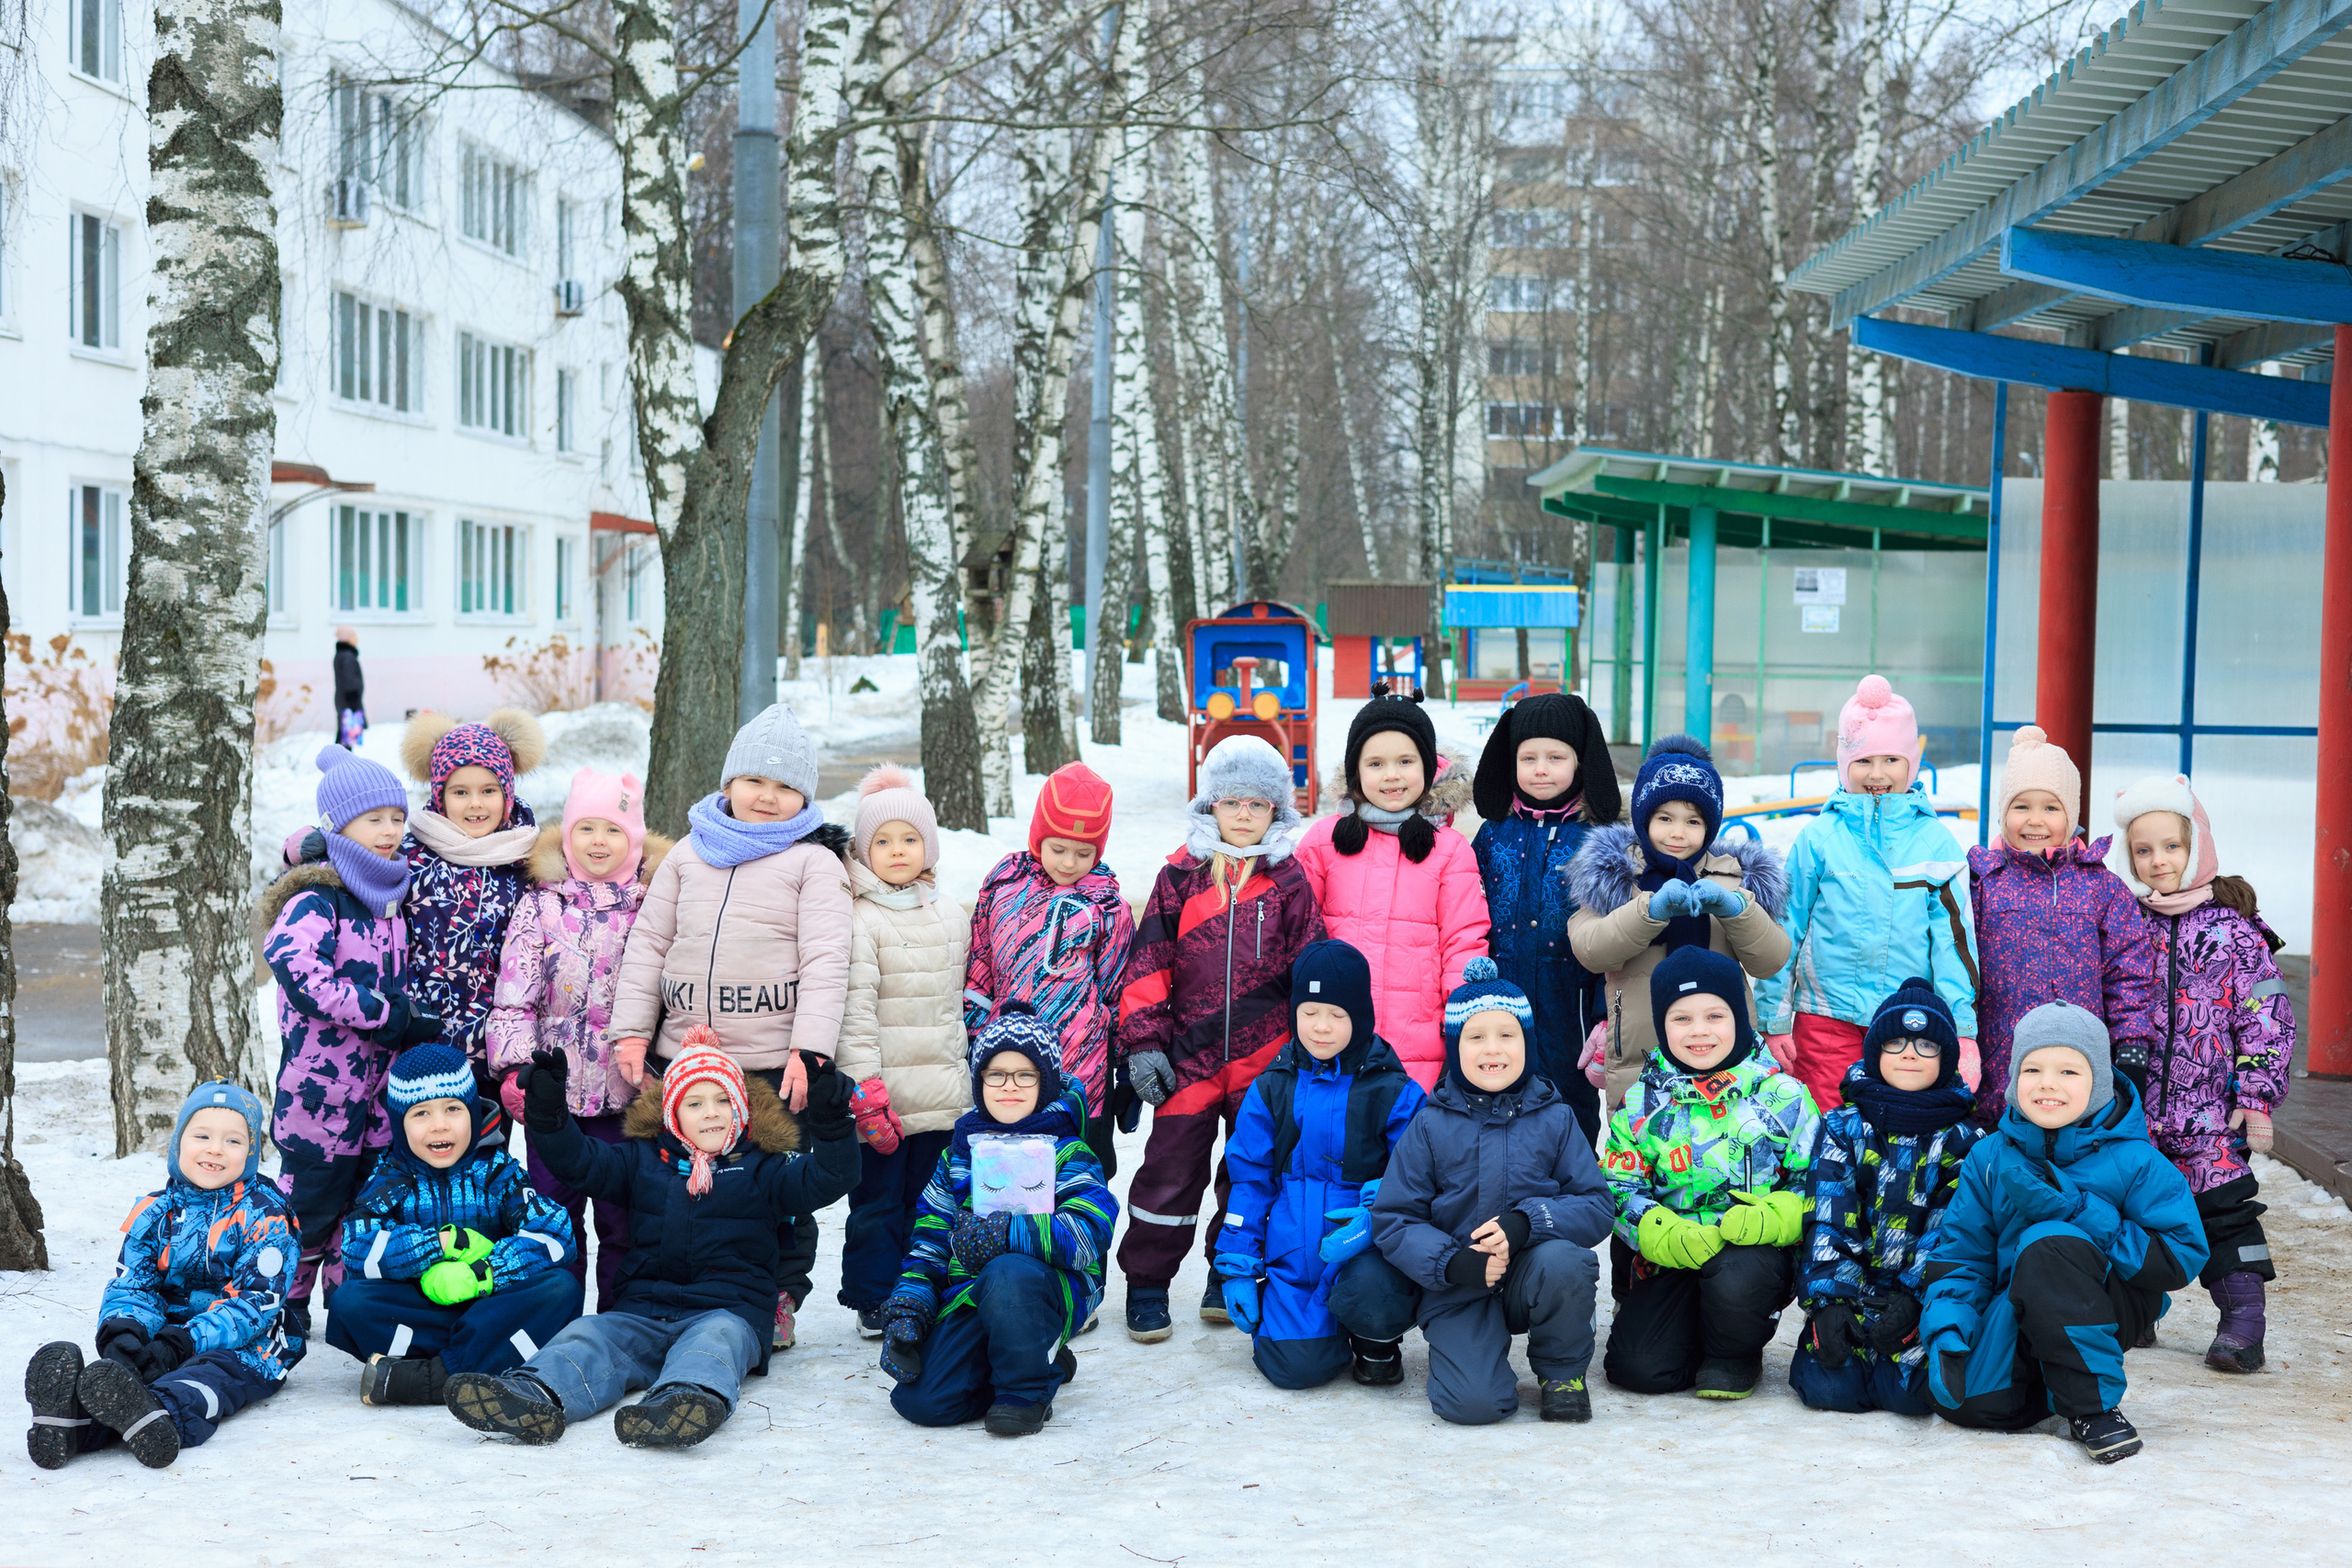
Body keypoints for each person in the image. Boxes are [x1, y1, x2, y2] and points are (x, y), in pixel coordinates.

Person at [446, 1031, 859, 1448]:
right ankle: (532, 1394)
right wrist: (550, 1117)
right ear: (672, 1115)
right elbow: (581, 1163)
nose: (711, 1113)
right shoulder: (639, 1159)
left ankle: (683, 1402)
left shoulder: (765, 1169)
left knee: (715, 1343)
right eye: (695, 1104)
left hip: (728, 1310)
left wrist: (831, 1124)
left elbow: (830, 1177)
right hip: (642, 1311)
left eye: (723, 1101)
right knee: (591, 1335)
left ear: (742, 1109)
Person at [606, 700, 854, 1349]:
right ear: (728, 782)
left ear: (804, 796)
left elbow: (827, 960)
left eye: (784, 786)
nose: (767, 798)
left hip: (768, 1064)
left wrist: (810, 1049)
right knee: (675, 1182)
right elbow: (648, 945)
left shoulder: (813, 864)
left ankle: (776, 1294)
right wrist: (632, 1029)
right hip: (681, 1061)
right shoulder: (688, 855)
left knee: (772, 1192)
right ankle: (674, 1289)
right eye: (755, 781)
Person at [1922, 1001, 2206, 1463]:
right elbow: (1963, 1253)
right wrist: (1949, 1328)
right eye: (2032, 1068)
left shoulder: (2136, 1160)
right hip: (2017, 1306)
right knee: (1973, 1406)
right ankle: (2050, 1384)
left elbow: (2178, 1258)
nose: (2048, 1083)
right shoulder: (1989, 1156)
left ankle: (2093, 1407)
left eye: (2069, 1071)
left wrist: (2079, 1210)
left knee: (2047, 1244)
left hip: (2112, 1303)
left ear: (2099, 1081)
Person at [1114, 737, 1326, 1341]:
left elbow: (1311, 969)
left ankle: (1224, 1267)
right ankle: (1147, 1280)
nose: (1242, 814)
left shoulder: (1289, 882)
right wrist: (1144, 1043)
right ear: (1210, 806)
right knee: (1169, 1170)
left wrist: (1306, 1046)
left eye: (1256, 804)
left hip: (1265, 1059)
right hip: (1189, 1059)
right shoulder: (1180, 875)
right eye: (1230, 801)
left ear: (1275, 812)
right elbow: (1149, 964)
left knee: (1250, 1170)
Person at [1372, 957, 1611, 1426]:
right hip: (1459, 1283)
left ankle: (1562, 1373)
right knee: (1476, 1406)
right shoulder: (1430, 1123)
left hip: (1531, 1272)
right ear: (1454, 1047)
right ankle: (1467, 1361)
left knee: (1566, 1262)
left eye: (1507, 1035)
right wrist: (1450, 1262)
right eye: (1475, 1037)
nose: (1492, 1049)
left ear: (1528, 1041)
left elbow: (1597, 1204)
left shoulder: (1556, 1117)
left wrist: (1527, 1223)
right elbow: (1394, 1218)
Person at [2110, 773, 2296, 1373]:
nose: (2158, 860)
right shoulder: (2126, 924)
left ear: (2198, 847)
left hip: (2209, 1113)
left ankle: (2243, 1320)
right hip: (2136, 1116)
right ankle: (2134, 1312)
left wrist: (2257, 1092)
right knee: (2132, 1215)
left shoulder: (2234, 933)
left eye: (2171, 845)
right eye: (2144, 849)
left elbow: (2266, 1014)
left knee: (2223, 1211)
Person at [260, 745, 442, 1351]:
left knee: (364, 1208)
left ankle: (348, 1305)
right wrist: (385, 1014)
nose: (390, 830)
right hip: (320, 1095)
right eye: (374, 819)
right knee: (308, 1208)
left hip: (379, 1097)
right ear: (338, 827)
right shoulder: (319, 896)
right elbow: (294, 966)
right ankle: (281, 1304)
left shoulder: (391, 893)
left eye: (397, 816)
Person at [25, 1081, 296, 1470]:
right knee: (126, 1372)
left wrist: (184, 1341)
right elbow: (134, 1283)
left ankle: (159, 1415)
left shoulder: (266, 1217)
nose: (215, 1149)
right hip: (162, 1336)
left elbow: (253, 1304)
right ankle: (73, 1422)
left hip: (246, 1344)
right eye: (202, 1135)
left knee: (208, 1376)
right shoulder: (156, 1211)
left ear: (252, 1153)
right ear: (179, 1142)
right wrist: (126, 1334)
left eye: (233, 1141)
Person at [878, 1007, 1118, 1436]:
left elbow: (1089, 1234)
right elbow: (929, 1243)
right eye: (996, 1074)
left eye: (1025, 1074)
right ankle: (1040, 1358)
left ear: (1044, 1081)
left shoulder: (1068, 1152)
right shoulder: (957, 1157)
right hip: (970, 1293)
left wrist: (1009, 1233)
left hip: (1045, 1288)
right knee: (921, 1402)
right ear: (979, 1080)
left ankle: (1025, 1392)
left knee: (1008, 1270)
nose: (1010, 1086)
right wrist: (910, 1307)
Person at [1600, 945, 1820, 1400]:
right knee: (1639, 1370)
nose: (1699, 1032)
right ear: (1663, 1025)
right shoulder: (1642, 1104)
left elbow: (1817, 1180)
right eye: (1681, 1019)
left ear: (1738, 1018)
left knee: (1738, 1281)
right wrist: (1652, 1227)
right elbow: (1618, 1184)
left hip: (1751, 1253)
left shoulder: (1785, 1095)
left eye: (1714, 1016)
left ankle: (1734, 1353)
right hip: (1678, 1252)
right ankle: (1689, 1330)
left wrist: (1781, 1214)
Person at [1757, 674, 1982, 1110]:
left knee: (1897, 1127)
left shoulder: (1935, 842)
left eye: (1891, 759)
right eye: (1863, 761)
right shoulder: (1819, 839)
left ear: (1911, 763)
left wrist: (1963, 1029)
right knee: (1825, 1124)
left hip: (1907, 1023)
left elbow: (1955, 947)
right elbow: (1782, 931)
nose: (1877, 774)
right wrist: (1774, 1018)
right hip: (1825, 1019)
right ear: (1844, 764)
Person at [486, 768, 668, 1306]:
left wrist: (659, 1075)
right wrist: (519, 1069)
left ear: (632, 839)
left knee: (623, 1221)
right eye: (586, 828)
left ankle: (618, 1319)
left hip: (627, 1098)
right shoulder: (540, 907)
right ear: (568, 836)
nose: (598, 842)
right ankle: (556, 1319)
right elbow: (513, 997)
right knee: (553, 1219)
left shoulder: (652, 909)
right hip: (554, 1101)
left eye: (612, 830)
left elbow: (668, 996)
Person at [1216, 940, 1424, 1390]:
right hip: (1294, 1258)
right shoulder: (1272, 1088)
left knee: (1375, 1293)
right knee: (1296, 1368)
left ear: (1361, 1016)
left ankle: (1376, 1339)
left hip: (1367, 1255)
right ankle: (1314, 1327)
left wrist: (1375, 1219)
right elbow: (1250, 1181)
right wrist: (1236, 1267)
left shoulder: (1393, 1091)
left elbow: (1420, 1178)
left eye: (1337, 1015)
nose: (1322, 1028)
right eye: (1310, 1013)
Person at [325, 1044, 583, 1405]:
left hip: (491, 1305)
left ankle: (425, 1379)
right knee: (349, 1302)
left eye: (453, 1109)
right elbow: (356, 1250)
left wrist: (485, 1272)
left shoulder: (495, 1171)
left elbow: (554, 1232)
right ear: (400, 1124)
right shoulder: (391, 1177)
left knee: (561, 1288)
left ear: (473, 1114)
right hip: (428, 1310)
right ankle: (483, 1360)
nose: (440, 1125)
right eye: (421, 1114)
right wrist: (439, 1246)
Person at [1790, 981, 1984, 1416]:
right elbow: (1828, 1216)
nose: (1909, 1053)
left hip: (1919, 1300)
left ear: (1946, 1058)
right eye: (1895, 1042)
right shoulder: (1843, 1127)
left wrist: (1917, 1296)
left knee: (1910, 1398)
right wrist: (1831, 1301)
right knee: (1830, 1389)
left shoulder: (1964, 1139)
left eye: (1925, 1044)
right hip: (1854, 1294)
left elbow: (1955, 1229)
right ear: (1875, 1052)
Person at [1567, 734, 1790, 1110]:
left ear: (1711, 826)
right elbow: (1591, 949)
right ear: (1643, 817)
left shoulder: (1736, 878)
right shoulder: (1617, 874)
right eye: (1664, 818)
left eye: (1693, 821)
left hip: (1725, 1052)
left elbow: (1770, 959)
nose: (1677, 833)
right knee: (1641, 1157)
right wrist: (1648, 913)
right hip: (1641, 1055)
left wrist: (1736, 910)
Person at [1292, 682, 1487, 1092]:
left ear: (1429, 768)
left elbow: (1463, 941)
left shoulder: (1449, 850)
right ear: (1355, 771)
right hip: (1332, 1034)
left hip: (1415, 1042)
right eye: (1376, 763)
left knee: (1407, 1147)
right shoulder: (1324, 841)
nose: (1392, 775)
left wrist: (1461, 1017)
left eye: (1405, 761)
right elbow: (1297, 934)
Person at [834, 764, 974, 1337]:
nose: (897, 851)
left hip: (942, 1093)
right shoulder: (858, 920)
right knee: (877, 1203)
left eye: (910, 839)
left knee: (932, 1200)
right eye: (883, 841)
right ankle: (873, 1295)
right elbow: (854, 1013)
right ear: (864, 852)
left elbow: (962, 1003)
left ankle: (924, 1285)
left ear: (929, 847)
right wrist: (863, 1089)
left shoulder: (950, 914)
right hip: (885, 1100)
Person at [1968, 726, 2156, 1126]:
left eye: (2051, 808)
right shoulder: (1983, 882)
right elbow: (1959, 965)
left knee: (2076, 1144)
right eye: (2021, 807)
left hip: (2080, 1055)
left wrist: (2132, 1044)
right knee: (2004, 1147)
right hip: (2000, 1054)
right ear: (2003, 813)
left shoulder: (2100, 886)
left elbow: (2129, 972)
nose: (2035, 820)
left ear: (2071, 816)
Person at [964, 761, 1136, 1177]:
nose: (1069, 862)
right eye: (1058, 848)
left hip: (1082, 1070)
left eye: (1084, 853)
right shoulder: (1005, 885)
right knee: (1007, 1176)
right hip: (1008, 1064)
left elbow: (1115, 991)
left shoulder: (1108, 908)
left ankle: (1081, 1241)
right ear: (1039, 837)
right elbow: (981, 961)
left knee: (1078, 1175)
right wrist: (974, 1028)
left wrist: (1123, 1063)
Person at [1470, 691, 1620, 1142]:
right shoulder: (1493, 834)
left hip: (1567, 1013)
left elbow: (1611, 937)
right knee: (1492, 1108)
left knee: (1567, 1115)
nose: (1540, 768)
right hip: (1498, 1007)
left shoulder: (1597, 840)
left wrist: (1602, 1015)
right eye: (1528, 756)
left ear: (1580, 762)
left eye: (1555, 756)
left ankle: (1569, 1201)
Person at [400, 708, 547, 1080]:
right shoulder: (411, 858)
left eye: (488, 791)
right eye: (460, 792)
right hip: (422, 1043)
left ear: (507, 793)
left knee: (487, 1139)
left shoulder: (530, 862)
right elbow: (358, 879)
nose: (475, 804)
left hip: (497, 1050)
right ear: (440, 795)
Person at [333, 626, 367, 749]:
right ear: (348, 638)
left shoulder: (342, 654)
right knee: (346, 738)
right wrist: (354, 702)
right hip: (349, 701)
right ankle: (340, 762)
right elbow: (349, 680)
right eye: (354, 635)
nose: (356, 638)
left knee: (344, 736)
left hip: (344, 700)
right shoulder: (348, 656)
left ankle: (338, 760)